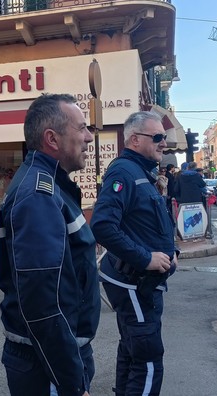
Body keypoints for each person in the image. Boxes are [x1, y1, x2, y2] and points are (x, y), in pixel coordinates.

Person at [0, 93, 99, 396]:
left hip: (49, 358)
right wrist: (71, 382)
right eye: (81, 128)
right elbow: (42, 306)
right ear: (52, 139)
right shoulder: (38, 196)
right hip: (46, 364)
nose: (89, 138)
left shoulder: (50, 186)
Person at [90, 111, 178, 396]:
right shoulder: (123, 172)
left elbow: (148, 222)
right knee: (148, 359)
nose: (163, 143)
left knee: (132, 348)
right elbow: (102, 226)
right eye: (158, 137)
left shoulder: (141, 172)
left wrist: (171, 251)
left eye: (163, 137)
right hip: (134, 281)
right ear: (135, 140)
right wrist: (146, 258)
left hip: (141, 282)